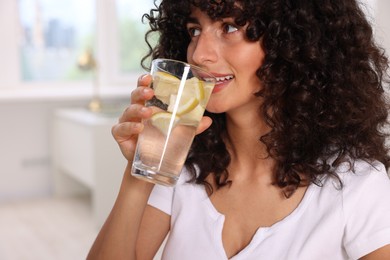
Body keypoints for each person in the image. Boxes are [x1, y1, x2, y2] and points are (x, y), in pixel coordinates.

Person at [87, 0, 390, 259]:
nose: (199, 54)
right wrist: (139, 172)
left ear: (294, 41)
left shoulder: (356, 183)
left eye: (229, 27)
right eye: (194, 30)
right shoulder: (180, 166)